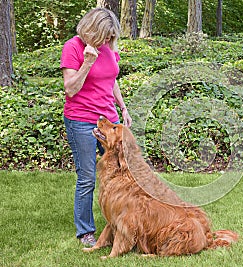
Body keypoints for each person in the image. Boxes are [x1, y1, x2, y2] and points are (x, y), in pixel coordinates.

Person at [60, 7, 132, 247]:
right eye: (105, 36)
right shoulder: (73, 47)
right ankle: (86, 231)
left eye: (111, 37)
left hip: (108, 120)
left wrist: (123, 108)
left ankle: (123, 224)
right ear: (92, 30)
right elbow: (70, 88)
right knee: (88, 177)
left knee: (122, 171)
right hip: (81, 120)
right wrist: (88, 62)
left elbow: (111, 81)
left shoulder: (109, 48)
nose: (108, 41)